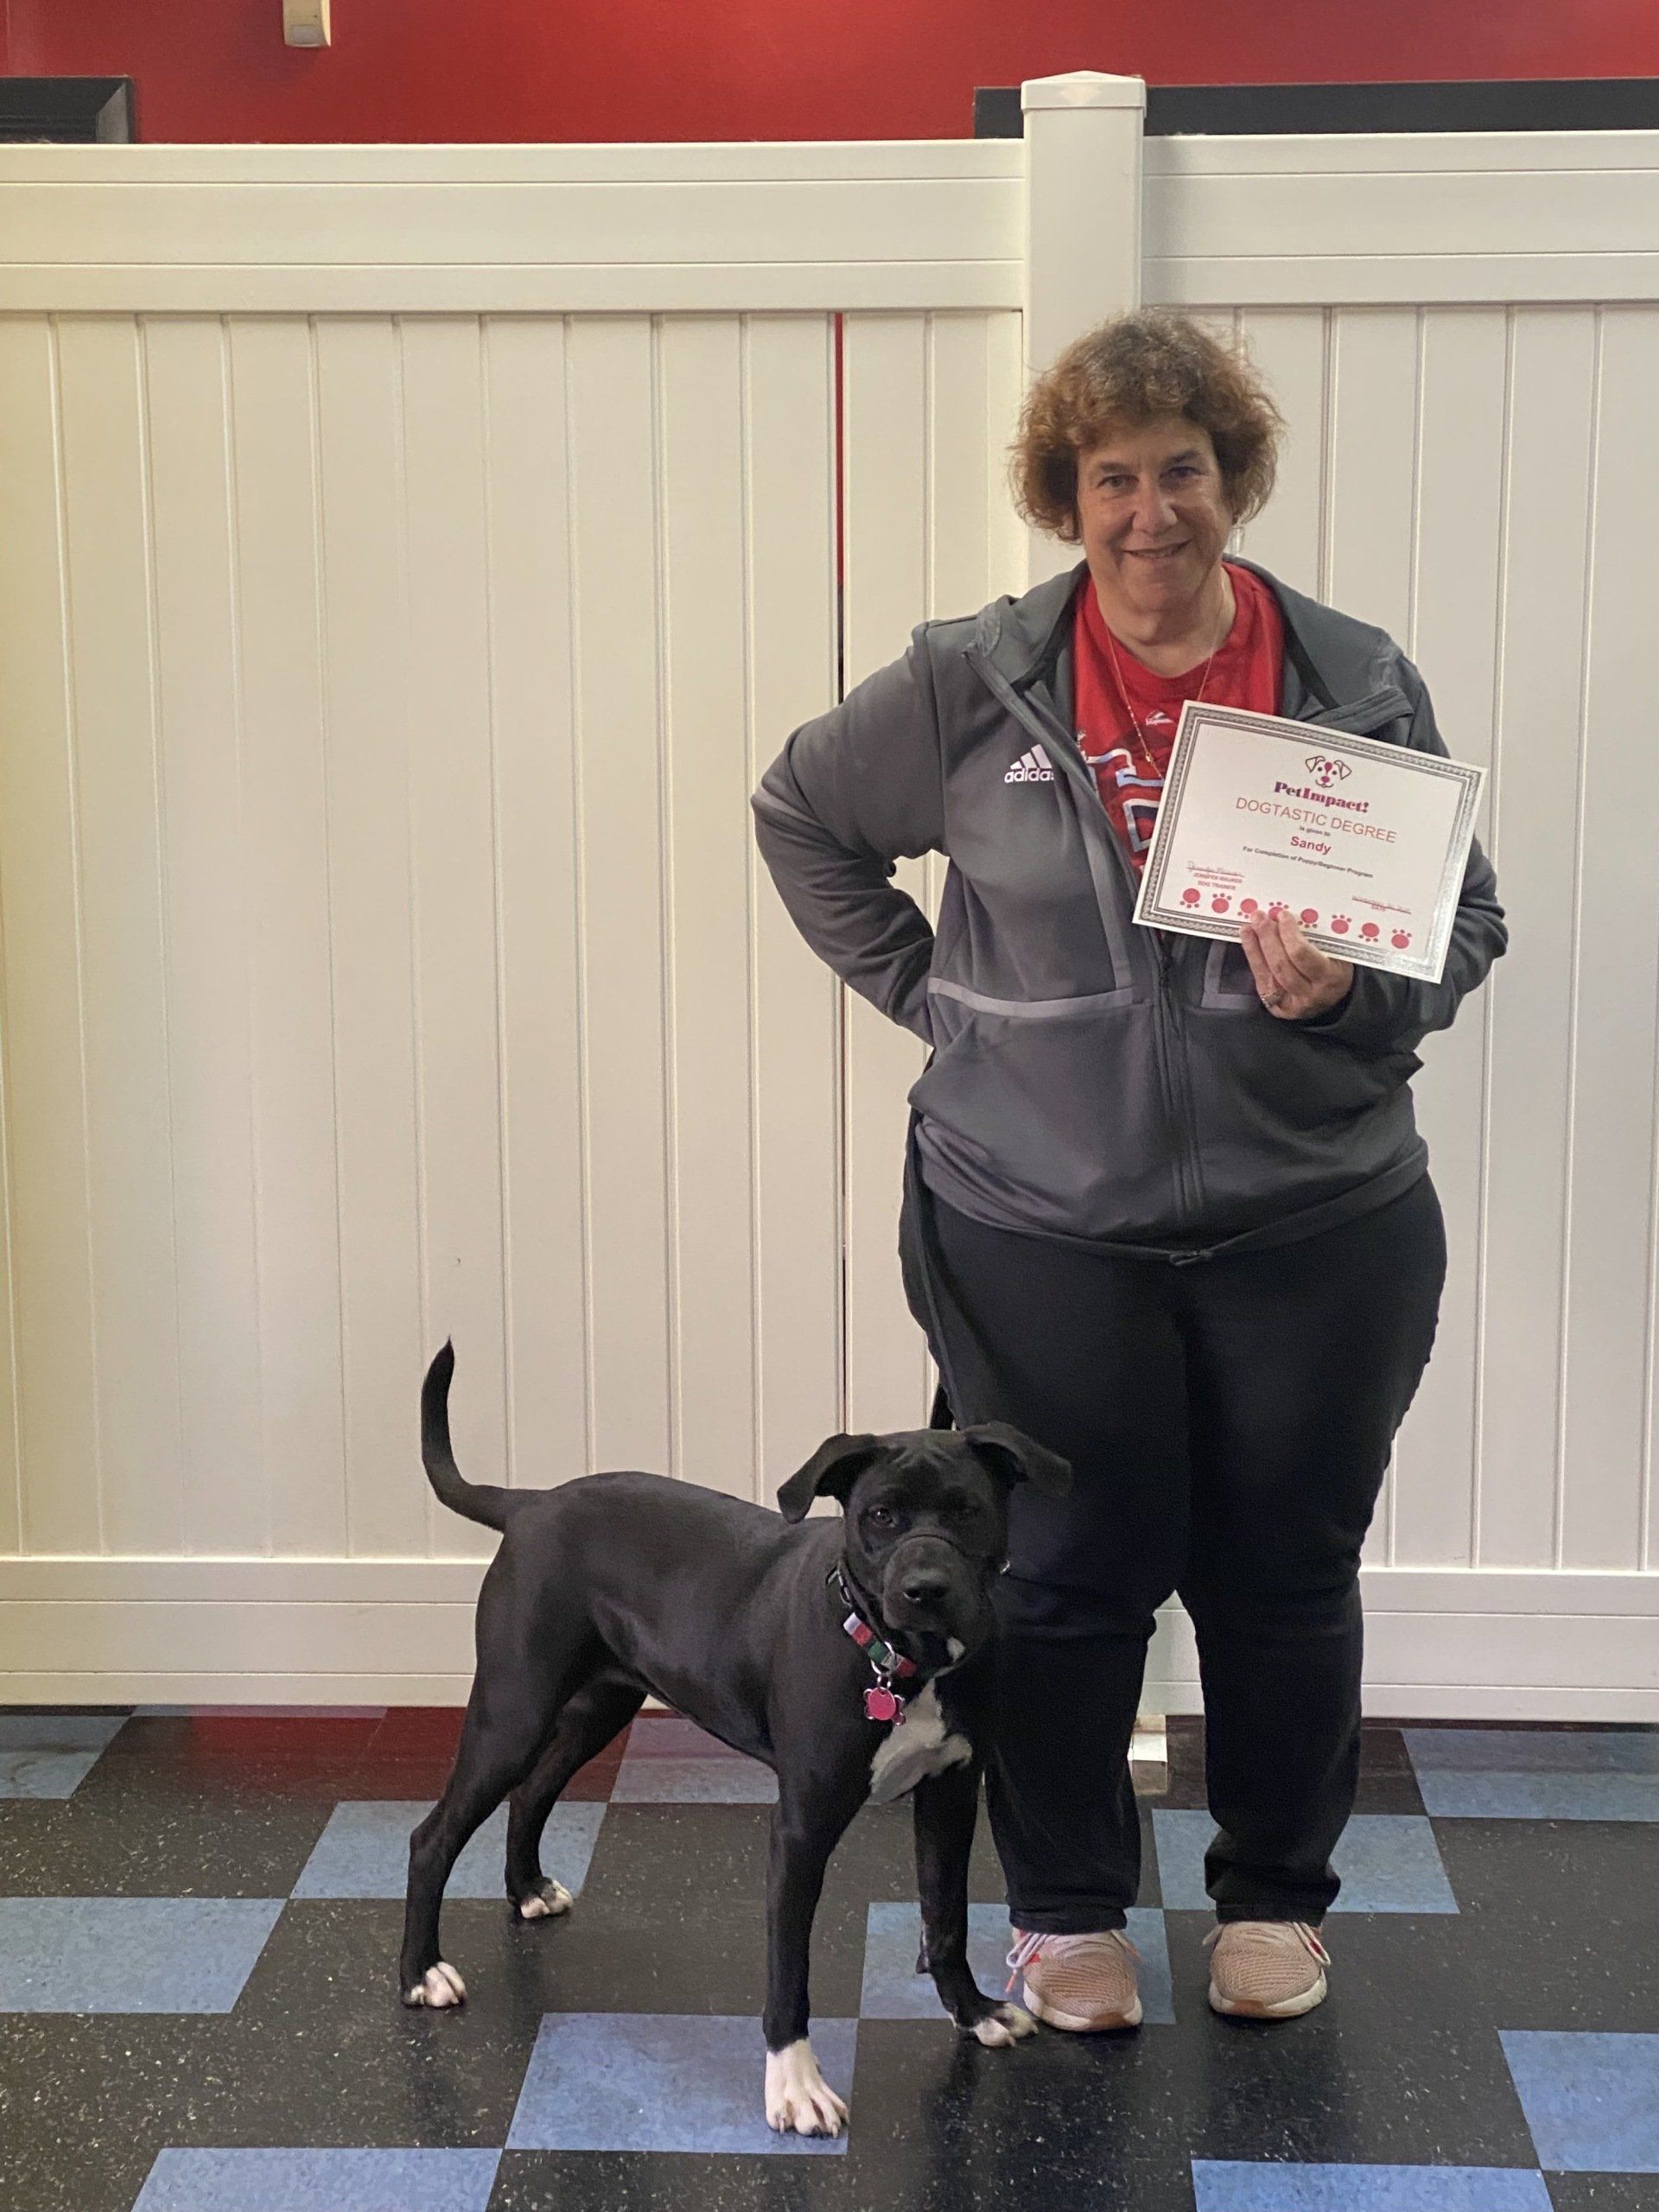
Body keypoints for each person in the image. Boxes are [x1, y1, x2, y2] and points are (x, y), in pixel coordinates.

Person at [751, 309, 1505, 2031]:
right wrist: (940, 994)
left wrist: (1360, 978)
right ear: (1065, 496)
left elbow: (1465, 920)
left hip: (1317, 1220)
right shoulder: (973, 676)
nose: (1151, 509)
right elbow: (802, 811)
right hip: (1037, 1221)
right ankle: (1070, 1911)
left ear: (1230, 479)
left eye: (1183, 469)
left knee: (1284, 1570)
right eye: (1113, 477)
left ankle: (1272, 1903)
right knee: (1072, 1572)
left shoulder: (1354, 677)